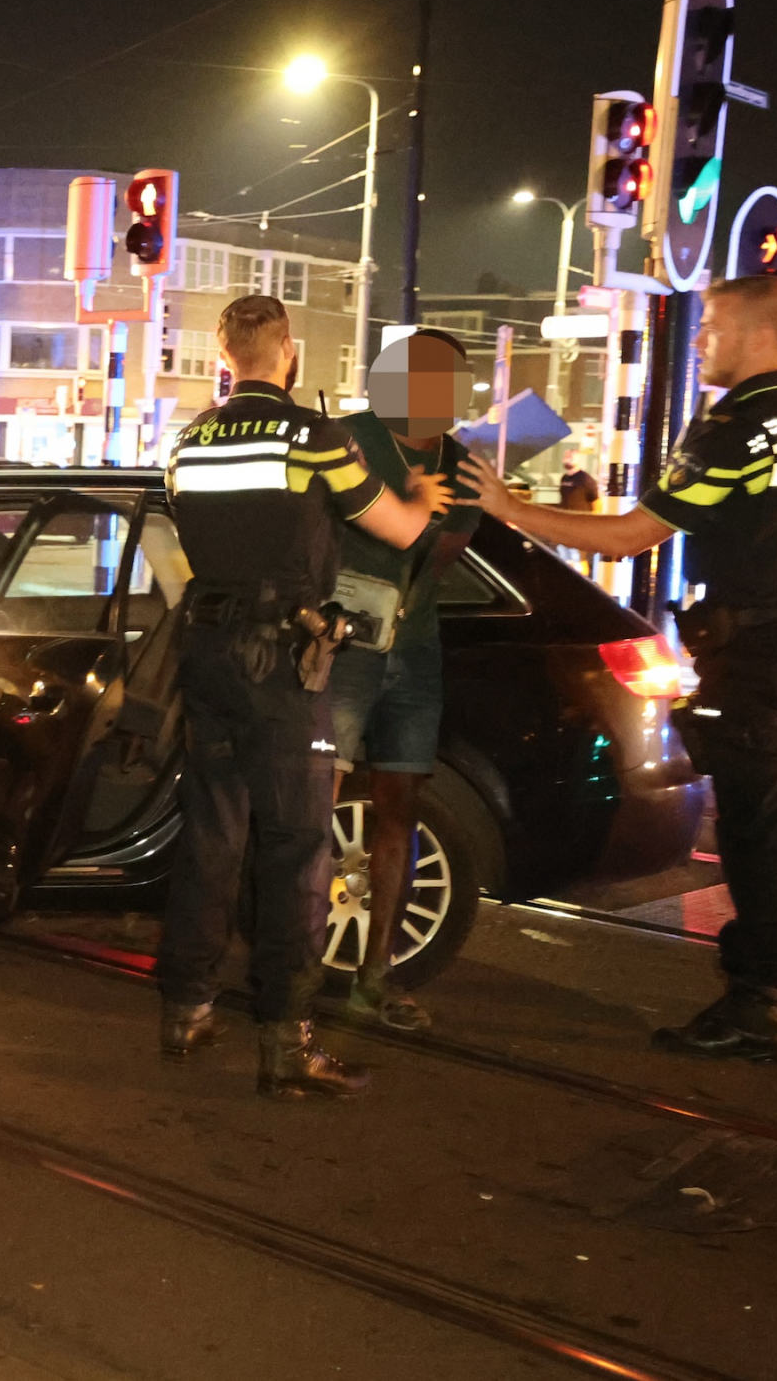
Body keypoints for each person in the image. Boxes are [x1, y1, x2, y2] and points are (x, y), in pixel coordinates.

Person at [464, 275, 777, 1063]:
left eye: (712, 329)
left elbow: (628, 538)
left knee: (761, 833)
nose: (698, 344)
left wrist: (507, 509)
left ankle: (757, 1006)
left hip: (762, 657)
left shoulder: (733, 428)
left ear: (760, 335)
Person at [157, 294, 450, 1100]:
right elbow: (396, 529)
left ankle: (185, 1009)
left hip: (209, 651)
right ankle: (287, 1041)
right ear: (288, 350)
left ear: (223, 356)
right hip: (286, 659)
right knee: (295, 848)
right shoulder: (315, 437)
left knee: (212, 833)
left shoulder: (187, 442)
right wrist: (424, 498)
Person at [324, 330, 486, 1032]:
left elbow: (443, 554)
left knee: (401, 806)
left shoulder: (463, 465)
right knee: (314, 802)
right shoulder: (346, 438)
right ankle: (295, 966)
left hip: (413, 645)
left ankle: (374, 975)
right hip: (342, 643)